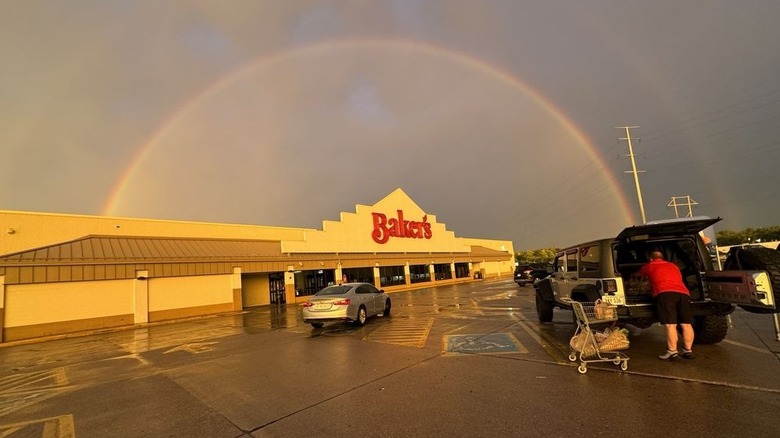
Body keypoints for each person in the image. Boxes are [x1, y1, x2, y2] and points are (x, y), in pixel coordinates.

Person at [634, 250, 695, 361]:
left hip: (666, 293)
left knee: (670, 324)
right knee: (686, 324)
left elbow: (637, 276)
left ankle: (672, 352)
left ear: (651, 259)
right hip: (683, 293)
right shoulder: (673, 265)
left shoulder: (650, 266)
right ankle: (688, 351)